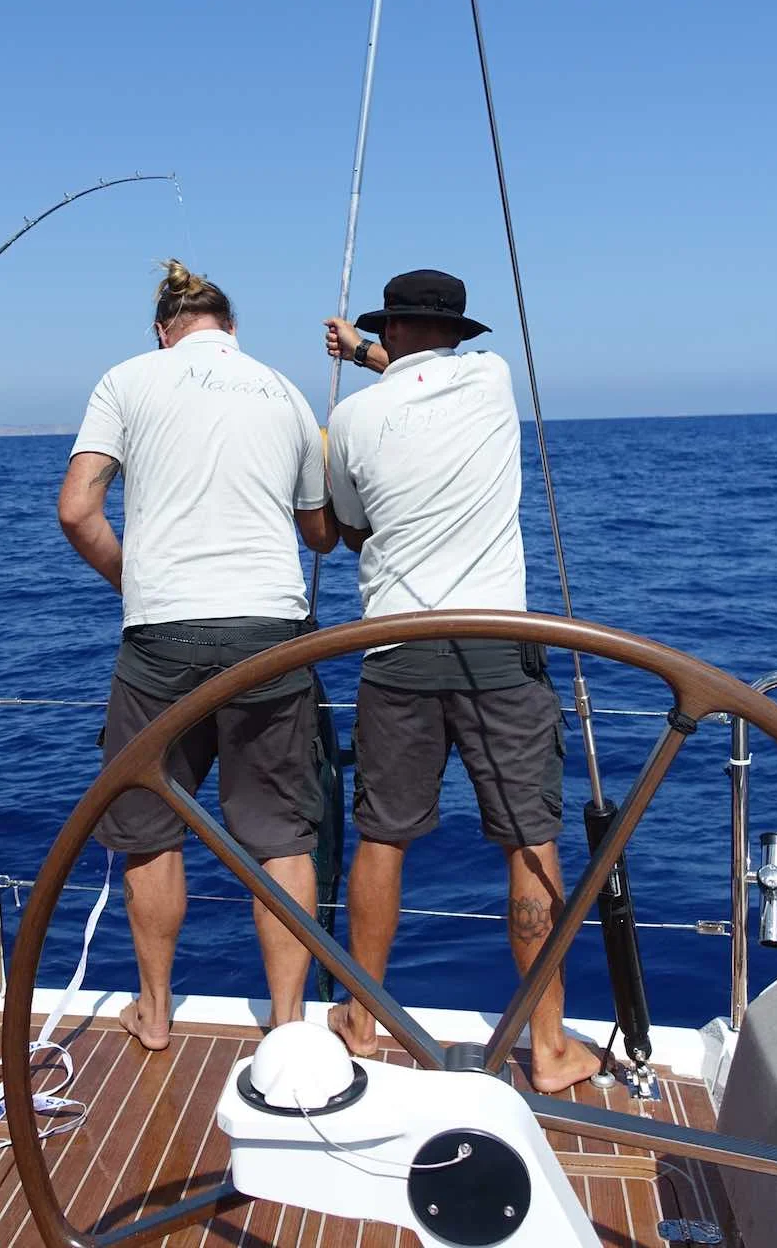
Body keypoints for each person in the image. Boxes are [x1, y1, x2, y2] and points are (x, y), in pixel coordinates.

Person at [320, 269, 602, 1092]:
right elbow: (411, 367)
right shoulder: (492, 378)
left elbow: (347, 530)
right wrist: (367, 350)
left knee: (383, 836)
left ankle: (362, 1020)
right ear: (457, 334)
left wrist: (355, 354)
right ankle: (547, 1048)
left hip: (395, 650)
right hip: (496, 647)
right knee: (529, 840)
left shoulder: (350, 417)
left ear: (394, 327)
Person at [58, 260, 336, 1050]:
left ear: (162, 331)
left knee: (150, 825)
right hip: (270, 639)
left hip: (162, 638)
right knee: (282, 835)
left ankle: (153, 1009)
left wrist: (131, 576)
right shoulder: (282, 391)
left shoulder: (127, 379)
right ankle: (288, 1027)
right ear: (231, 329)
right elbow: (318, 531)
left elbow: (78, 509)